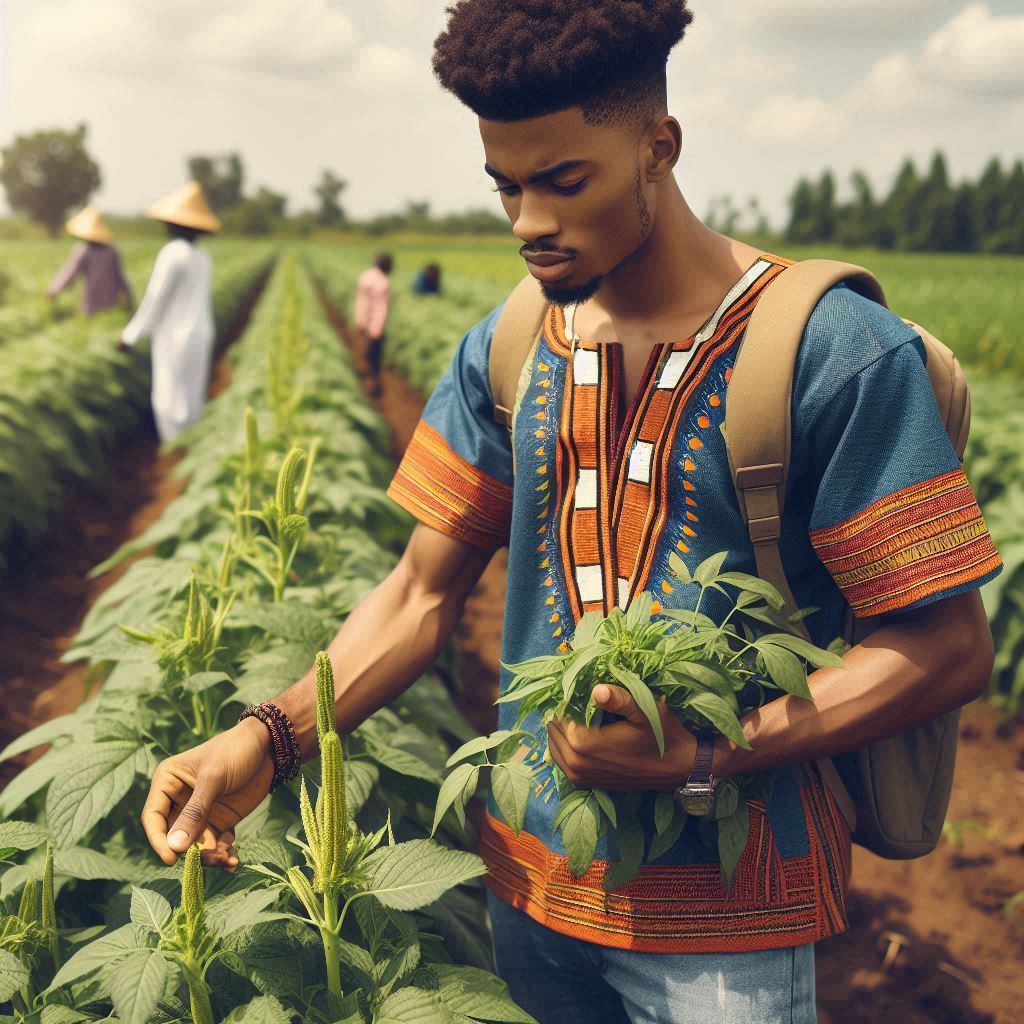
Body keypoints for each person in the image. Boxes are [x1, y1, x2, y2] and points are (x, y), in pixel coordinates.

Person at [141, 3, 1002, 1022]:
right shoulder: (506, 347)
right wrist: (269, 736)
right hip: (528, 893)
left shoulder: (834, 353)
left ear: (658, 147)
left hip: (728, 926)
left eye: (562, 181)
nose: (527, 224)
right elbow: (422, 591)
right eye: (505, 186)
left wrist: (705, 752)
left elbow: (945, 646)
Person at [118, 181, 220, 443]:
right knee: (192, 395)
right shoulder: (202, 257)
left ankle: (174, 449)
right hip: (201, 332)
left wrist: (130, 336)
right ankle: (191, 446)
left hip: (175, 336)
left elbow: (155, 299)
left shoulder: (173, 253)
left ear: (175, 225)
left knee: (168, 398)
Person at [47, 206, 133, 315]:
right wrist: (129, 299)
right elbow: (121, 278)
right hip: (111, 303)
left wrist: (53, 290)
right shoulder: (112, 251)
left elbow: (69, 274)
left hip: (91, 303)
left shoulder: (83, 251)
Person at [353, 252, 392, 397]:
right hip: (373, 328)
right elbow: (381, 310)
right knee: (373, 360)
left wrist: (360, 321)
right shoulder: (383, 283)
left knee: (363, 355)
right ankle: (371, 389)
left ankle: (362, 385)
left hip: (362, 322)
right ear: (385, 265)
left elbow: (361, 301)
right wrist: (377, 331)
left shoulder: (365, 276)